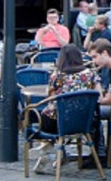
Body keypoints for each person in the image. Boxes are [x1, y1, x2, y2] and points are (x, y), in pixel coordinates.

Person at [29, 43, 97, 172]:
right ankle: (56, 153)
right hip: (82, 121)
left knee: (44, 113)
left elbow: (51, 97)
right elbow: (98, 93)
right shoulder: (90, 74)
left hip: (57, 121)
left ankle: (45, 147)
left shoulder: (56, 75)